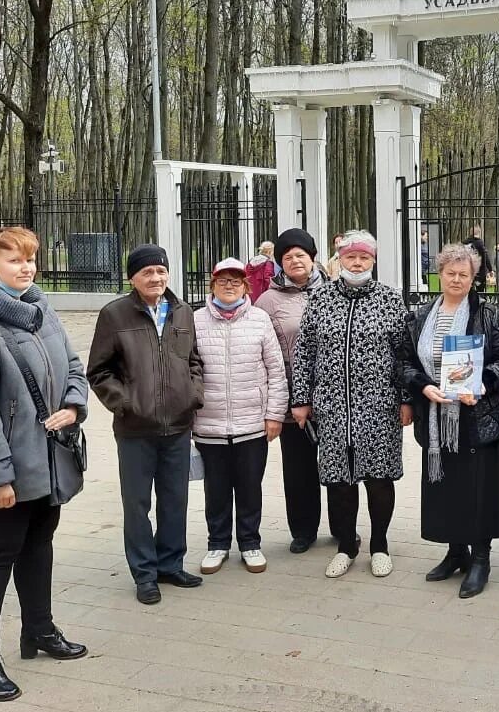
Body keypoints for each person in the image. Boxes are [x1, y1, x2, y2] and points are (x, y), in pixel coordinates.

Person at [0, 227, 88, 701]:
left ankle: (39, 631)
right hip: (7, 472)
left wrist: (73, 404)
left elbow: (73, 366)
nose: (26, 268)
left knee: (39, 546)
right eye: (14, 261)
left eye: (30, 260)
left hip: (49, 463)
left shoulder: (41, 311)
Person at [88, 244, 204, 605]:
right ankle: (144, 573)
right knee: (137, 504)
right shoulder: (114, 315)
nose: (155, 278)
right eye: (147, 273)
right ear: (132, 278)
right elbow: (98, 370)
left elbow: (194, 361)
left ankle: (170, 564)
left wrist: (192, 395)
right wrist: (124, 403)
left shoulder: (183, 312)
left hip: (177, 427)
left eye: (160, 271)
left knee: (175, 500)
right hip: (135, 429)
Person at [402, 243, 499, 598]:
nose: (456, 279)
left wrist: (483, 384)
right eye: (450, 273)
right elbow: (404, 361)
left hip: (474, 417)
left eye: (464, 274)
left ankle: (480, 558)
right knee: (445, 487)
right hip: (435, 418)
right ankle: (455, 552)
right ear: (440, 274)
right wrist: (423, 387)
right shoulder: (422, 315)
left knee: (478, 489)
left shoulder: (486, 314)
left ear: (474, 278)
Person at [293, 230, 411, 579]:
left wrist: (406, 400)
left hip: (378, 406)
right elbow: (304, 351)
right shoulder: (321, 299)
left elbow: (404, 353)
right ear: (339, 260)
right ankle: (346, 544)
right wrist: (301, 399)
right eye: (351, 257)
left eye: (364, 257)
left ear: (373, 260)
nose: (357, 262)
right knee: (339, 482)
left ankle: (379, 545)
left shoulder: (390, 299)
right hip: (331, 408)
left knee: (378, 478)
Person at [192, 257, 288, 575]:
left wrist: (274, 414)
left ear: (246, 286)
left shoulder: (260, 320)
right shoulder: (195, 321)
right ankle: (217, 544)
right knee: (216, 489)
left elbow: (276, 371)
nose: (229, 286)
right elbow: (188, 372)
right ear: (213, 284)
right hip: (210, 424)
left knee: (249, 487)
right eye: (223, 280)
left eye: (235, 280)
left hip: (252, 423)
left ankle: (250, 543)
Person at [254, 227, 334, 553]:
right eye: (288, 256)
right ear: (280, 263)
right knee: (298, 467)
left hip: (333, 395)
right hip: (292, 399)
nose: (295, 260)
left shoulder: (335, 290)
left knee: (339, 465)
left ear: (312, 258)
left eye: (301, 254)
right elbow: (262, 353)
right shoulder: (268, 301)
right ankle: (303, 529)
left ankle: (343, 527)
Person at [462, 224, 495, 289]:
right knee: (480, 290)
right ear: (479, 233)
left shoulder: (464, 243)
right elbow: (485, 257)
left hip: (467, 269)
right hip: (480, 271)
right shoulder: (479, 243)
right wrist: (490, 269)